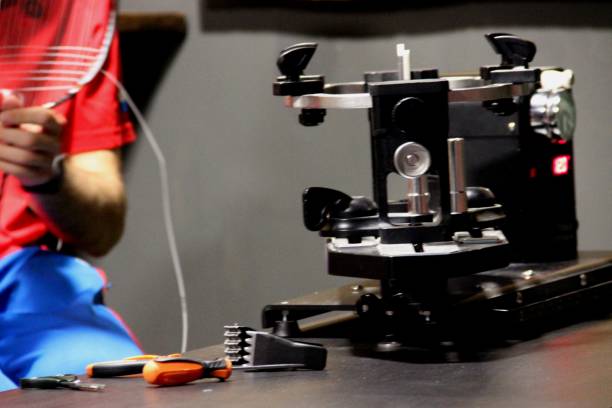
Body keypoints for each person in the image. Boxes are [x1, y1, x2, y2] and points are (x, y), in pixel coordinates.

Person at [0, 7, 142, 391]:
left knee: (117, 392)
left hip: (27, 281)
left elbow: (103, 229)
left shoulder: (78, 12)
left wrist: (47, 176)